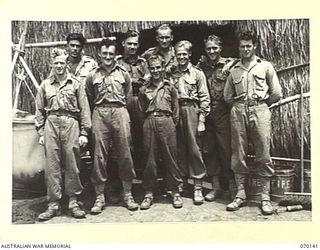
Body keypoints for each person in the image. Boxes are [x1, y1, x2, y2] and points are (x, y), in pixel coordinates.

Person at [224, 31, 282, 215]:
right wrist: (239, 105)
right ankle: (240, 194)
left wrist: (262, 105)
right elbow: (227, 96)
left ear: (254, 46)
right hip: (238, 110)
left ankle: (265, 197)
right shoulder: (234, 70)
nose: (246, 49)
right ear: (238, 48)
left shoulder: (265, 66)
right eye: (242, 46)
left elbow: (276, 93)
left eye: (249, 45)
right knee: (238, 152)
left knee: (263, 151)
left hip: (260, 110)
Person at [35, 48, 91, 221]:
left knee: (73, 163)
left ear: (66, 64)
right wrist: (41, 131)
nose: (59, 66)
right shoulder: (45, 85)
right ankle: (53, 204)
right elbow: (38, 111)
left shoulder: (75, 84)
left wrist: (84, 132)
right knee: (52, 166)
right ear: (51, 64)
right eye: (56, 63)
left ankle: (73, 202)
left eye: (62, 63)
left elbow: (84, 109)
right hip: (51, 124)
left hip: (71, 123)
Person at [85, 39, 138, 214]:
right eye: (105, 53)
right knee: (99, 156)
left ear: (116, 55)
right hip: (100, 113)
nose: (108, 57)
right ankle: (100, 196)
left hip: (120, 111)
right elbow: (89, 96)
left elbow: (129, 98)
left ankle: (128, 193)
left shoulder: (123, 73)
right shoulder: (92, 75)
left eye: (111, 54)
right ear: (99, 54)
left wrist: (121, 113)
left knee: (125, 153)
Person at [138, 55, 183, 210]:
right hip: (150, 121)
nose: (156, 71)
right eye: (153, 68)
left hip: (167, 121)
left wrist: (170, 123)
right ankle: (149, 192)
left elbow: (176, 110)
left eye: (158, 67)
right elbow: (140, 109)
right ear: (149, 70)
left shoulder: (170, 87)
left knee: (171, 156)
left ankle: (175, 190)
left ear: (163, 68)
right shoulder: (144, 89)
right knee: (149, 158)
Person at [197, 35, 237, 201]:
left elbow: (247, 60)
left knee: (226, 150)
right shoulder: (201, 66)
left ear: (220, 48)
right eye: (209, 49)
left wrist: (232, 62)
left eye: (215, 48)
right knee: (209, 150)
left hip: (223, 112)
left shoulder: (230, 63)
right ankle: (216, 187)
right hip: (206, 113)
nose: (212, 51)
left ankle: (233, 187)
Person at [170, 40, 210, 205]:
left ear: (190, 55)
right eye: (179, 54)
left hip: (191, 110)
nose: (181, 57)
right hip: (175, 111)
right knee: (177, 148)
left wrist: (201, 120)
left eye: (184, 54)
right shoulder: (170, 73)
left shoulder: (197, 74)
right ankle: (181, 185)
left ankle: (198, 187)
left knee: (194, 149)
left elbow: (205, 98)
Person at [116, 30, 148, 175]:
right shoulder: (117, 63)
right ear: (123, 44)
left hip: (141, 103)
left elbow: (148, 82)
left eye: (135, 44)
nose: (132, 47)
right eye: (129, 44)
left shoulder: (144, 63)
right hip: (123, 103)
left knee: (143, 136)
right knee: (125, 138)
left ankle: (143, 172)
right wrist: (136, 81)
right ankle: (127, 174)